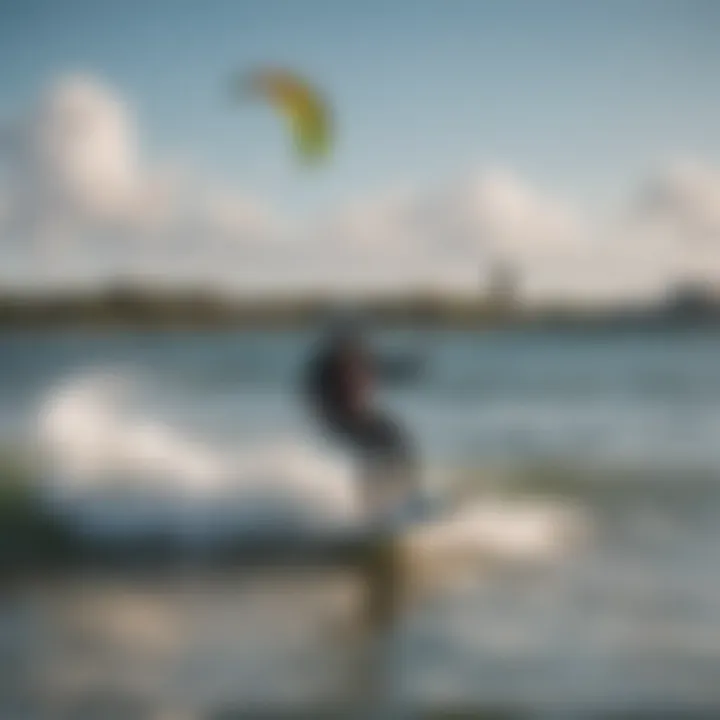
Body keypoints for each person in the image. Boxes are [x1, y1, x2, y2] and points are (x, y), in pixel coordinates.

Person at [303, 315, 420, 519]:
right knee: (375, 452)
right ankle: (371, 506)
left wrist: (412, 367)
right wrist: (327, 416)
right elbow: (312, 394)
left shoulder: (360, 357)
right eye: (345, 339)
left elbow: (389, 369)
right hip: (339, 419)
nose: (350, 343)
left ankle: (404, 496)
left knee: (398, 443)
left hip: (362, 417)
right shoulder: (325, 365)